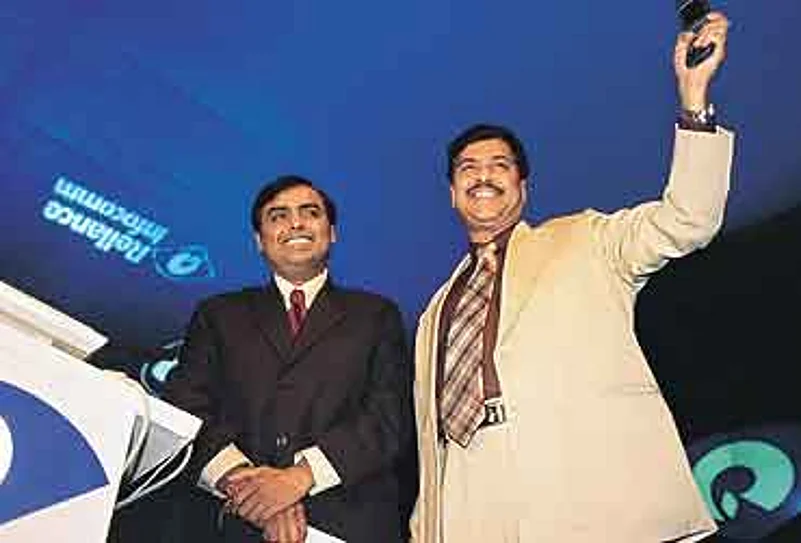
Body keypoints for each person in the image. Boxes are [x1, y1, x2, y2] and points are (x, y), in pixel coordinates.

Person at [411, 12, 733, 543]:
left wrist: (693, 98)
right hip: (470, 495)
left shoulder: (586, 239)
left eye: (500, 165)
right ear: (452, 193)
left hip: (582, 480)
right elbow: (430, 439)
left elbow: (687, 219)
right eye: (468, 168)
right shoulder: (433, 312)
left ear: (523, 187)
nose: (483, 174)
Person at [165, 175, 413, 543]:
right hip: (234, 524)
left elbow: (389, 417)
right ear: (259, 240)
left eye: (310, 212)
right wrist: (254, 492)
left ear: (332, 232)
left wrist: (300, 478)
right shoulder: (218, 315)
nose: (296, 223)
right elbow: (185, 409)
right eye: (278, 215)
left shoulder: (376, 315)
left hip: (344, 524)